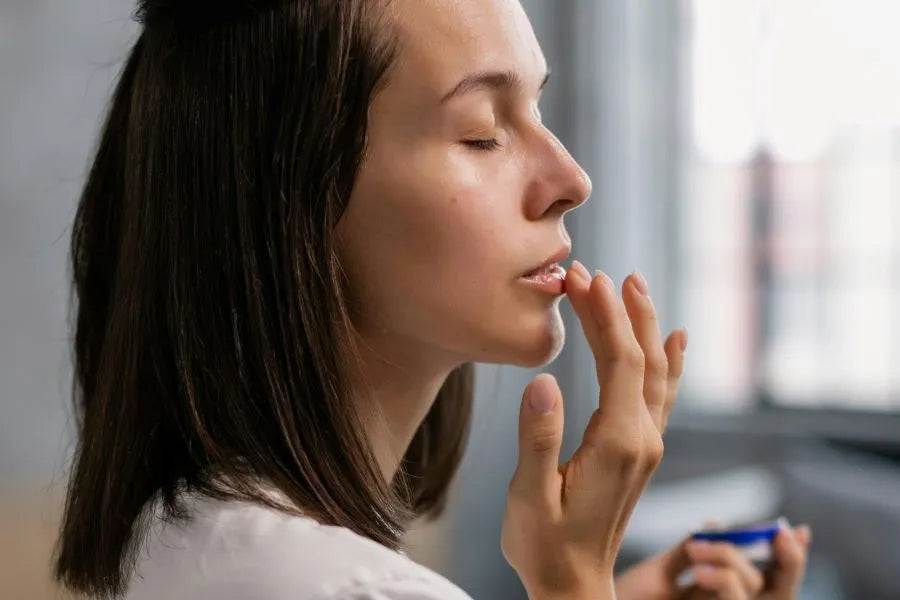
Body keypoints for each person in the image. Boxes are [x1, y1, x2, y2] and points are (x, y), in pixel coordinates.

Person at [52, 0, 812, 598]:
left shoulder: (186, 536)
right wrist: (573, 581)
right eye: (483, 132)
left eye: (536, 111)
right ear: (289, 207)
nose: (571, 179)